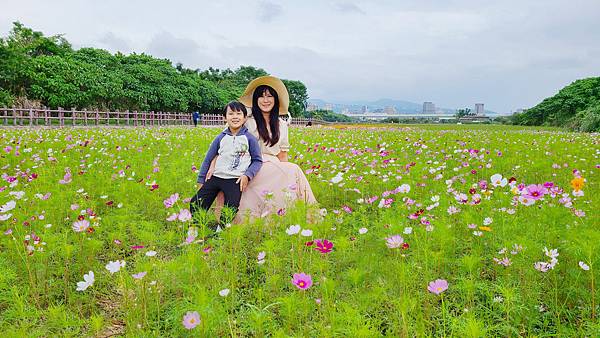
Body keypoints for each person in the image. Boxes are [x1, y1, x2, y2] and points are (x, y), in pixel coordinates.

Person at [209, 76, 317, 222]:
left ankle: (298, 215)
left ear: (276, 99)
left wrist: (285, 174)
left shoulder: (281, 125)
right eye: (261, 96)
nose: (265, 100)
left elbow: (282, 156)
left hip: (272, 168)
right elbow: (224, 142)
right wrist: (213, 164)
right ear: (255, 99)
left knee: (292, 170)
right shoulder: (246, 121)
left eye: (269, 96)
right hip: (249, 166)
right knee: (294, 169)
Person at [190, 101, 262, 227]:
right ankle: (195, 228)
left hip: (235, 179)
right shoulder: (220, 138)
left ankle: (221, 231)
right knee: (196, 202)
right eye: (231, 113)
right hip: (216, 177)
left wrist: (247, 175)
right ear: (225, 118)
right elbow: (208, 158)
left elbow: (257, 160)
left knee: (231, 206)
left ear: (245, 118)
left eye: (239, 114)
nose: (235, 116)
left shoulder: (250, 139)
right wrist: (201, 180)